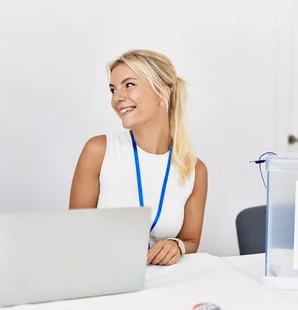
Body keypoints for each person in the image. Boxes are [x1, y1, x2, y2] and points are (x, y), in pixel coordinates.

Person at [69, 49, 208, 266]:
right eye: (113, 89)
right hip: (105, 277)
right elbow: (74, 234)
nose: (117, 98)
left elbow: (190, 241)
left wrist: (176, 245)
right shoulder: (98, 151)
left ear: (162, 92)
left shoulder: (194, 169)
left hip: (163, 284)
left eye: (129, 85)